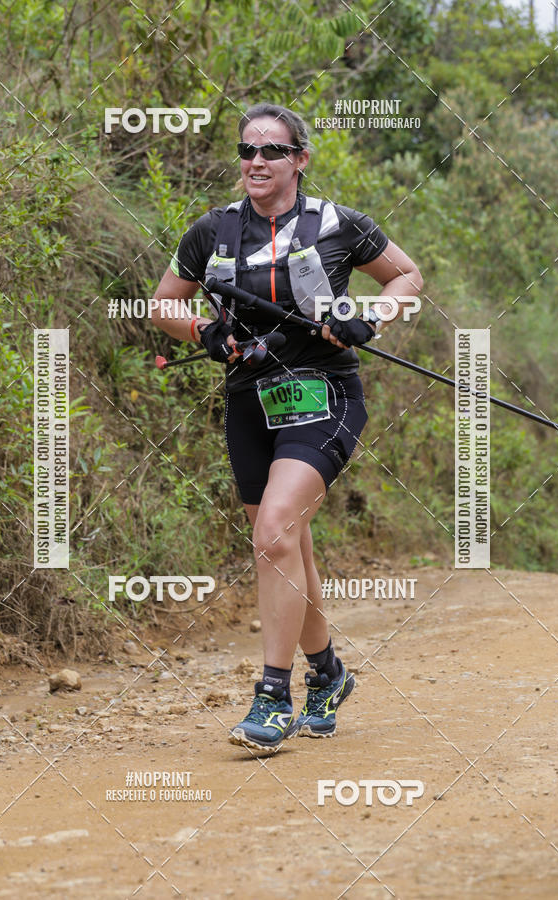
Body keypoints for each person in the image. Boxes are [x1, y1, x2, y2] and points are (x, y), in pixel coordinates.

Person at [152, 102, 423, 754]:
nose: (256, 162)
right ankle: (327, 673)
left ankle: (273, 695)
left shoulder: (337, 224)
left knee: (273, 531)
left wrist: (365, 319)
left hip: (323, 394)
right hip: (248, 404)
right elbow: (163, 303)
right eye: (247, 151)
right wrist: (206, 331)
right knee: (285, 543)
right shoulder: (213, 231)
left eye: (272, 151)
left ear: (299, 159)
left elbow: (408, 275)